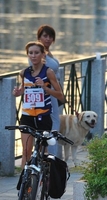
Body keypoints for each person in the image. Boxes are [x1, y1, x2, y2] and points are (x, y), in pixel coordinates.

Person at [12, 41, 64, 167]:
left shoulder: (48, 72)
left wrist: (45, 88)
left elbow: (60, 95)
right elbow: (24, 88)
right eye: (30, 53)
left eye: (36, 53)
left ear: (43, 55)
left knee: (42, 152)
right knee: (26, 152)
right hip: (27, 116)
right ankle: (25, 183)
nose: (33, 56)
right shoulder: (24, 73)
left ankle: (43, 180)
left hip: (43, 117)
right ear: (28, 55)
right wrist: (18, 92)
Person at [36, 24, 64, 156]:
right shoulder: (39, 53)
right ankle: (50, 154)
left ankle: (49, 153)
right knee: (53, 122)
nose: (48, 39)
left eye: (50, 36)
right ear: (39, 37)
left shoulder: (47, 52)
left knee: (51, 122)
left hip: (53, 90)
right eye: (45, 36)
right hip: (47, 90)